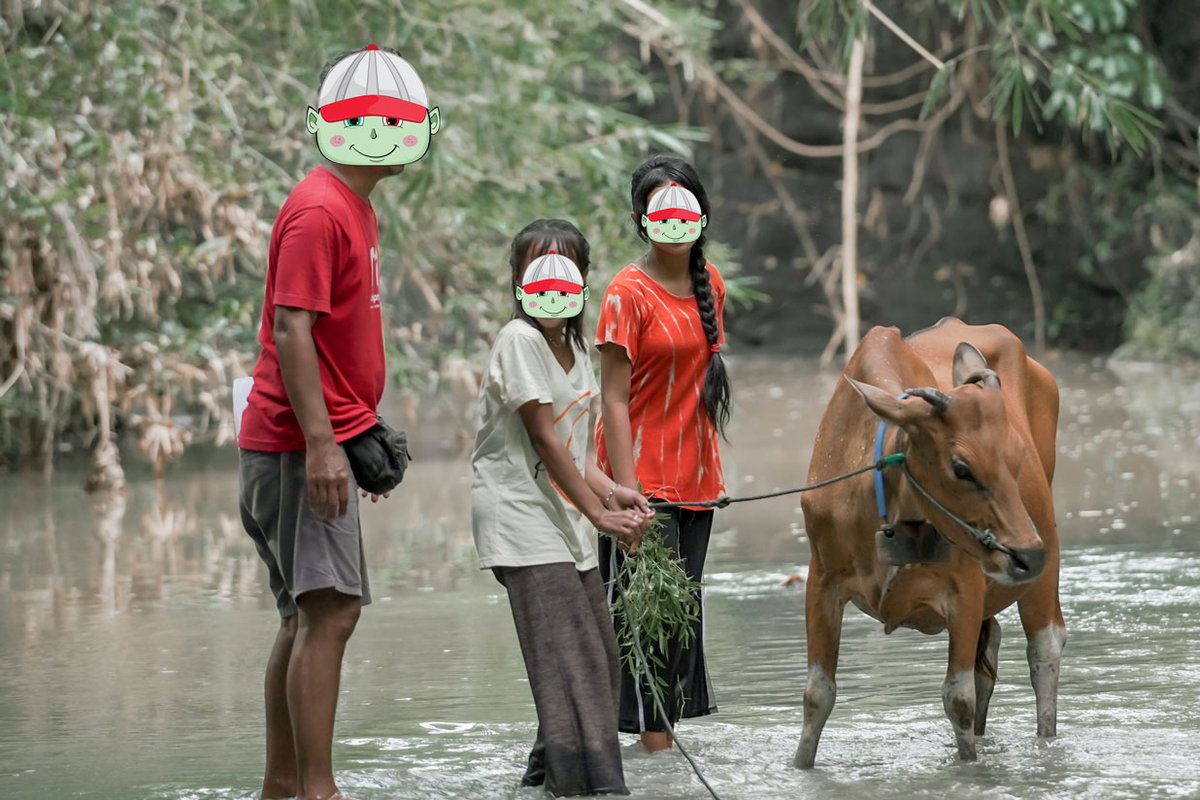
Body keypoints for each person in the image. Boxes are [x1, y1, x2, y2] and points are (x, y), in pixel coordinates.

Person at [237, 44, 438, 800]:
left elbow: (329, 338)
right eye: (367, 120)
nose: (386, 132)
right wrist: (323, 448)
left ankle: (283, 788)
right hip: (294, 446)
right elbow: (291, 329)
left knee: (304, 614)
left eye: (400, 120)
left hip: (315, 440)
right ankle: (316, 792)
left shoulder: (354, 205)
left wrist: (356, 441)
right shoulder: (320, 208)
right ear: (328, 125)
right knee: (331, 611)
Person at [471, 219, 655, 797]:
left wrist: (610, 492)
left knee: (597, 659)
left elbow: (575, 449)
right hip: (524, 519)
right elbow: (545, 442)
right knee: (574, 666)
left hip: (565, 520)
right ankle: (589, 786)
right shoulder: (521, 341)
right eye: (537, 269)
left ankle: (544, 781)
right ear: (519, 282)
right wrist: (602, 517)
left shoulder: (575, 347)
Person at [594, 155, 732, 753]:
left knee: (680, 622)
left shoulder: (713, 285)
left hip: (696, 484)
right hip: (639, 484)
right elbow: (613, 401)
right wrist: (628, 497)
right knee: (641, 621)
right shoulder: (626, 294)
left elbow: (699, 392)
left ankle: (663, 758)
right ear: (640, 220)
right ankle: (652, 760)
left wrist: (713, 474)